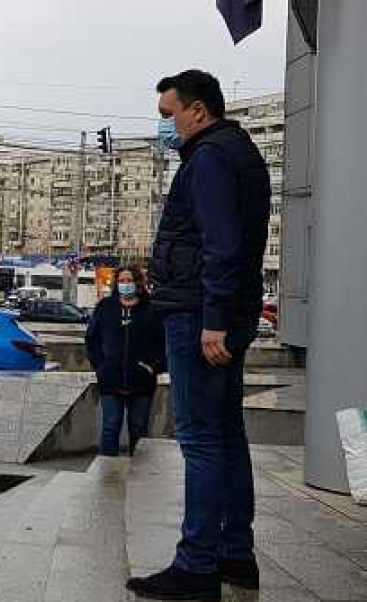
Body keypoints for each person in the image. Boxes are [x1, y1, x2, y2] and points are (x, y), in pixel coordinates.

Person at [127, 70, 271, 601]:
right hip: (223, 310)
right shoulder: (238, 151)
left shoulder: (208, 158)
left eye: (169, 115)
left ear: (198, 111)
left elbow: (222, 243)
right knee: (227, 434)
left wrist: (211, 316)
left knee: (201, 438)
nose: (166, 126)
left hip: (198, 314)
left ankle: (196, 564)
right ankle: (236, 554)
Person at [85, 267, 165, 457]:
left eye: (129, 280)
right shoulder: (105, 307)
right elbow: (92, 339)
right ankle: (107, 474)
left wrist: (153, 367)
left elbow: (164, 343)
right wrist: (100, 366)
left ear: (138, 283)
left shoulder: (151, 309)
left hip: (142, 382)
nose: (125, 284)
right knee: (110, 427)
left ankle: (138, 476)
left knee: (138, 430)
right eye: (121, 281)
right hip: (110, 380)